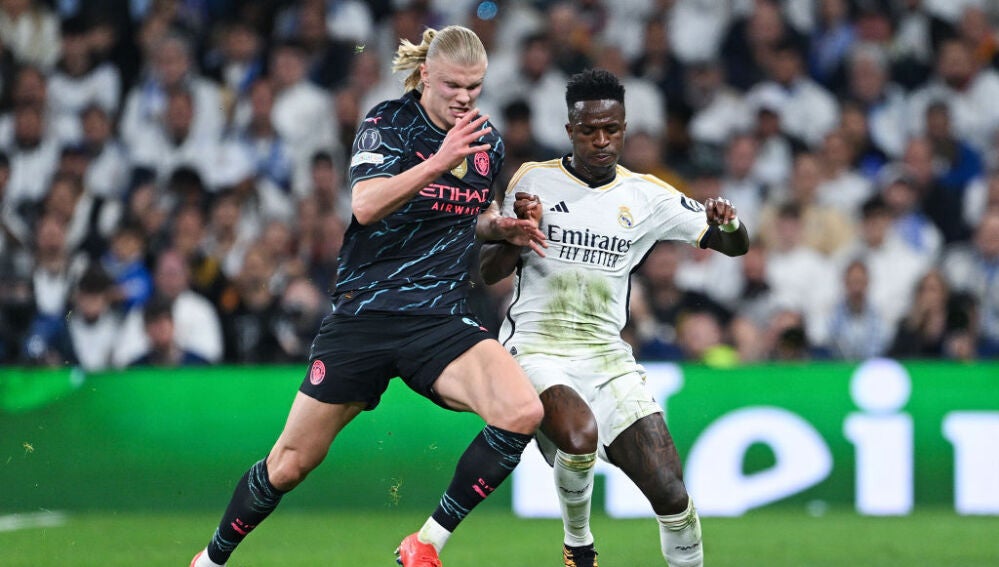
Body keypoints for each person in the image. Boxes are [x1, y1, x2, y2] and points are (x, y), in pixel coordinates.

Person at [190, 25, 546, 567]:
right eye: (453, 85)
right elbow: (364, 204)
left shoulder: (487, 143)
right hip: (366, 315)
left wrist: (504, 229)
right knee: (289, 464)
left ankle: (427, 543)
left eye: (474, 87)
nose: (464, 98)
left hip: (438, 319)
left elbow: (469, 218)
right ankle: (211, 560)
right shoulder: (387, 123)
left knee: (522, 411)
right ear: (425, 74)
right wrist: (435, 160)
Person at [480, 68, 749, 567]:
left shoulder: (646, 195)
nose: (602, 141)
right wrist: (517, 233)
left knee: (672, 495)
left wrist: (728, 222)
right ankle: (578, 544)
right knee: (579, 436)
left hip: (606, 357)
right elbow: (489, 271)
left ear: (624, 128)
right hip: (536, 349)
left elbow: (735, 246)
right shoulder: (532, 179)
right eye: (589, 130)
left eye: (612, 129)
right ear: (570, 131)